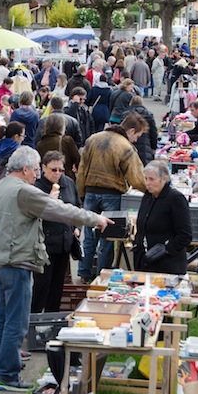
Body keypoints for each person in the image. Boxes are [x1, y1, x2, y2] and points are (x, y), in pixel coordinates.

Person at [0, 146, 112, 391]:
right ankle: (7, 375)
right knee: (16, 322)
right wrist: (94, 218)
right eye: (34, 170)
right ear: (25, 169)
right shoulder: (24, 191)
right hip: (16, 263)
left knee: (1, 318)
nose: (35, 175)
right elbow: (60, 210)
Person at [77, 114, 148, 282]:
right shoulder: (126, 147)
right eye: (137, 136)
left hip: (90, 192)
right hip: (112, 195)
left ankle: (84, 274)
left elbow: (81, 170)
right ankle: (102, 277)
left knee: (89, 237)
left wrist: (81, 193)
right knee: (107, 239)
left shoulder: (93, 139)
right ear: (131, 131)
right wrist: (151, 190)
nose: (136, 140)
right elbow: (136, 178)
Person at [31, 151, 82, 313]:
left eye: (61, 170)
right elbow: (33, 214)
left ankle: (52, 318)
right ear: (44, 168)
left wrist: (76, 227)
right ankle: (33, 318)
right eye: (54, 170)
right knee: (42, 284)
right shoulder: (37, 187)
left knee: (57, 285)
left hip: (64, 243)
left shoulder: (68, 183)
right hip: (44, 245)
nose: (58, 173)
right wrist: (49, 200)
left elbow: (77, 207)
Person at [133, 160, 193, 274]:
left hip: (167, 265)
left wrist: (166, 250)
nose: (148, 183)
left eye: (152, 179)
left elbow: (185, 235)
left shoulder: (175, 199)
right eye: (146, 179)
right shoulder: (147, 196)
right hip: (144, 263)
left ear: (164, 179)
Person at [36, 114, 80, 181]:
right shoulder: (66, 140)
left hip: (47, 179)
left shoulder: (40, 144)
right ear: (62, 127)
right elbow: (78, 160)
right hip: (66, 179)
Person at [123, 96, 157, 165]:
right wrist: (153, 147)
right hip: (145, 145)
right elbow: (153, 133)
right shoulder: (148, 115)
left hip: (128, 144)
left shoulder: (125, 114)